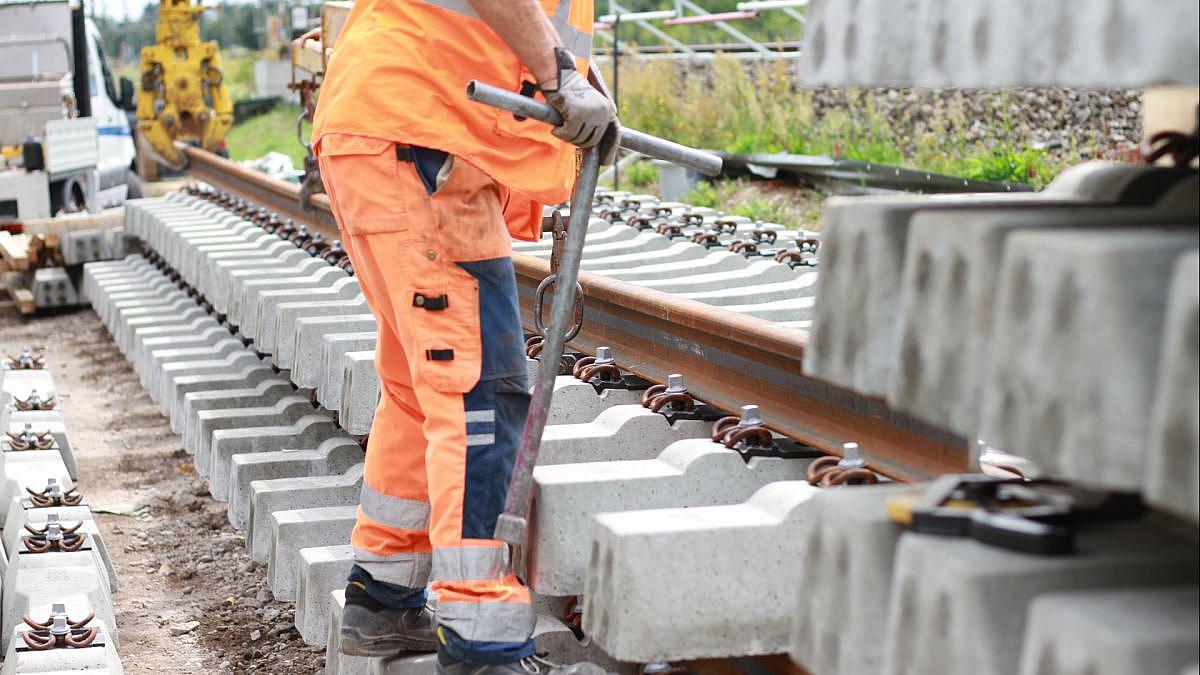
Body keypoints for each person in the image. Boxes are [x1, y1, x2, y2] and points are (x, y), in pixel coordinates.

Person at [310, 0, 618, 672]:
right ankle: (482, 638)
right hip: (423, 131)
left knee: (420, 388)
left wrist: (575, 78)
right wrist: (559, 74)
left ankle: (383, 594)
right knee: (477, 392)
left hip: (390, 124)